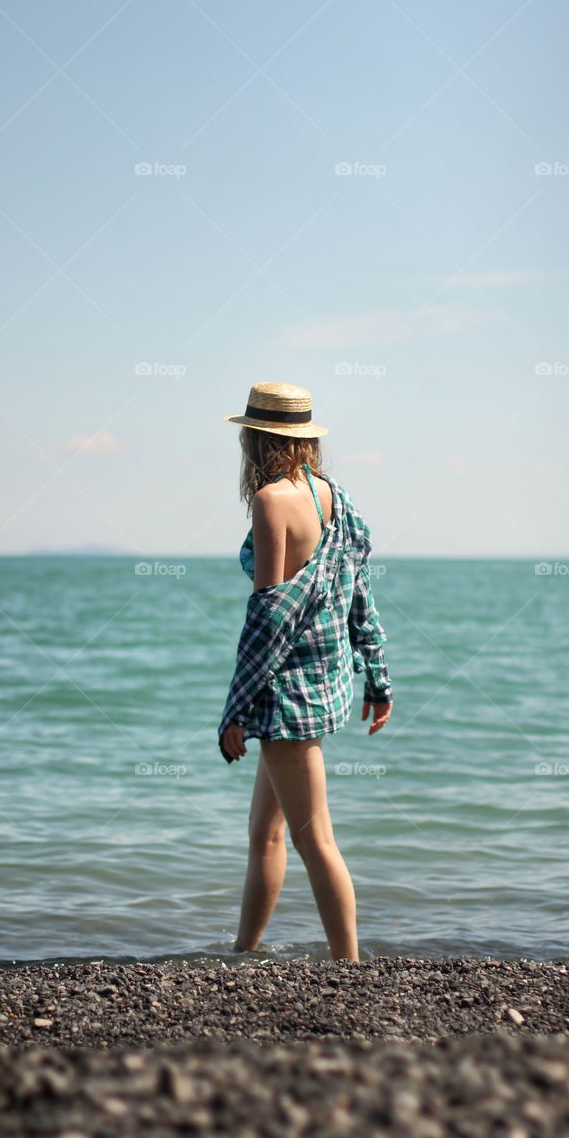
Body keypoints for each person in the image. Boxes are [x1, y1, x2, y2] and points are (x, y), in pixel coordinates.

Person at [218, 380, 394, 962]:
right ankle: (244, 952)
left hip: (284, 693)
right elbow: (360, 594)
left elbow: (268, 617)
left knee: (314, 839)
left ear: (256, 438)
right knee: (265, 834)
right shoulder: (333, 496)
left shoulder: (272, 502)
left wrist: (235, 710)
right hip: (324, 684)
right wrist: (378, 678)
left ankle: (350, 963)